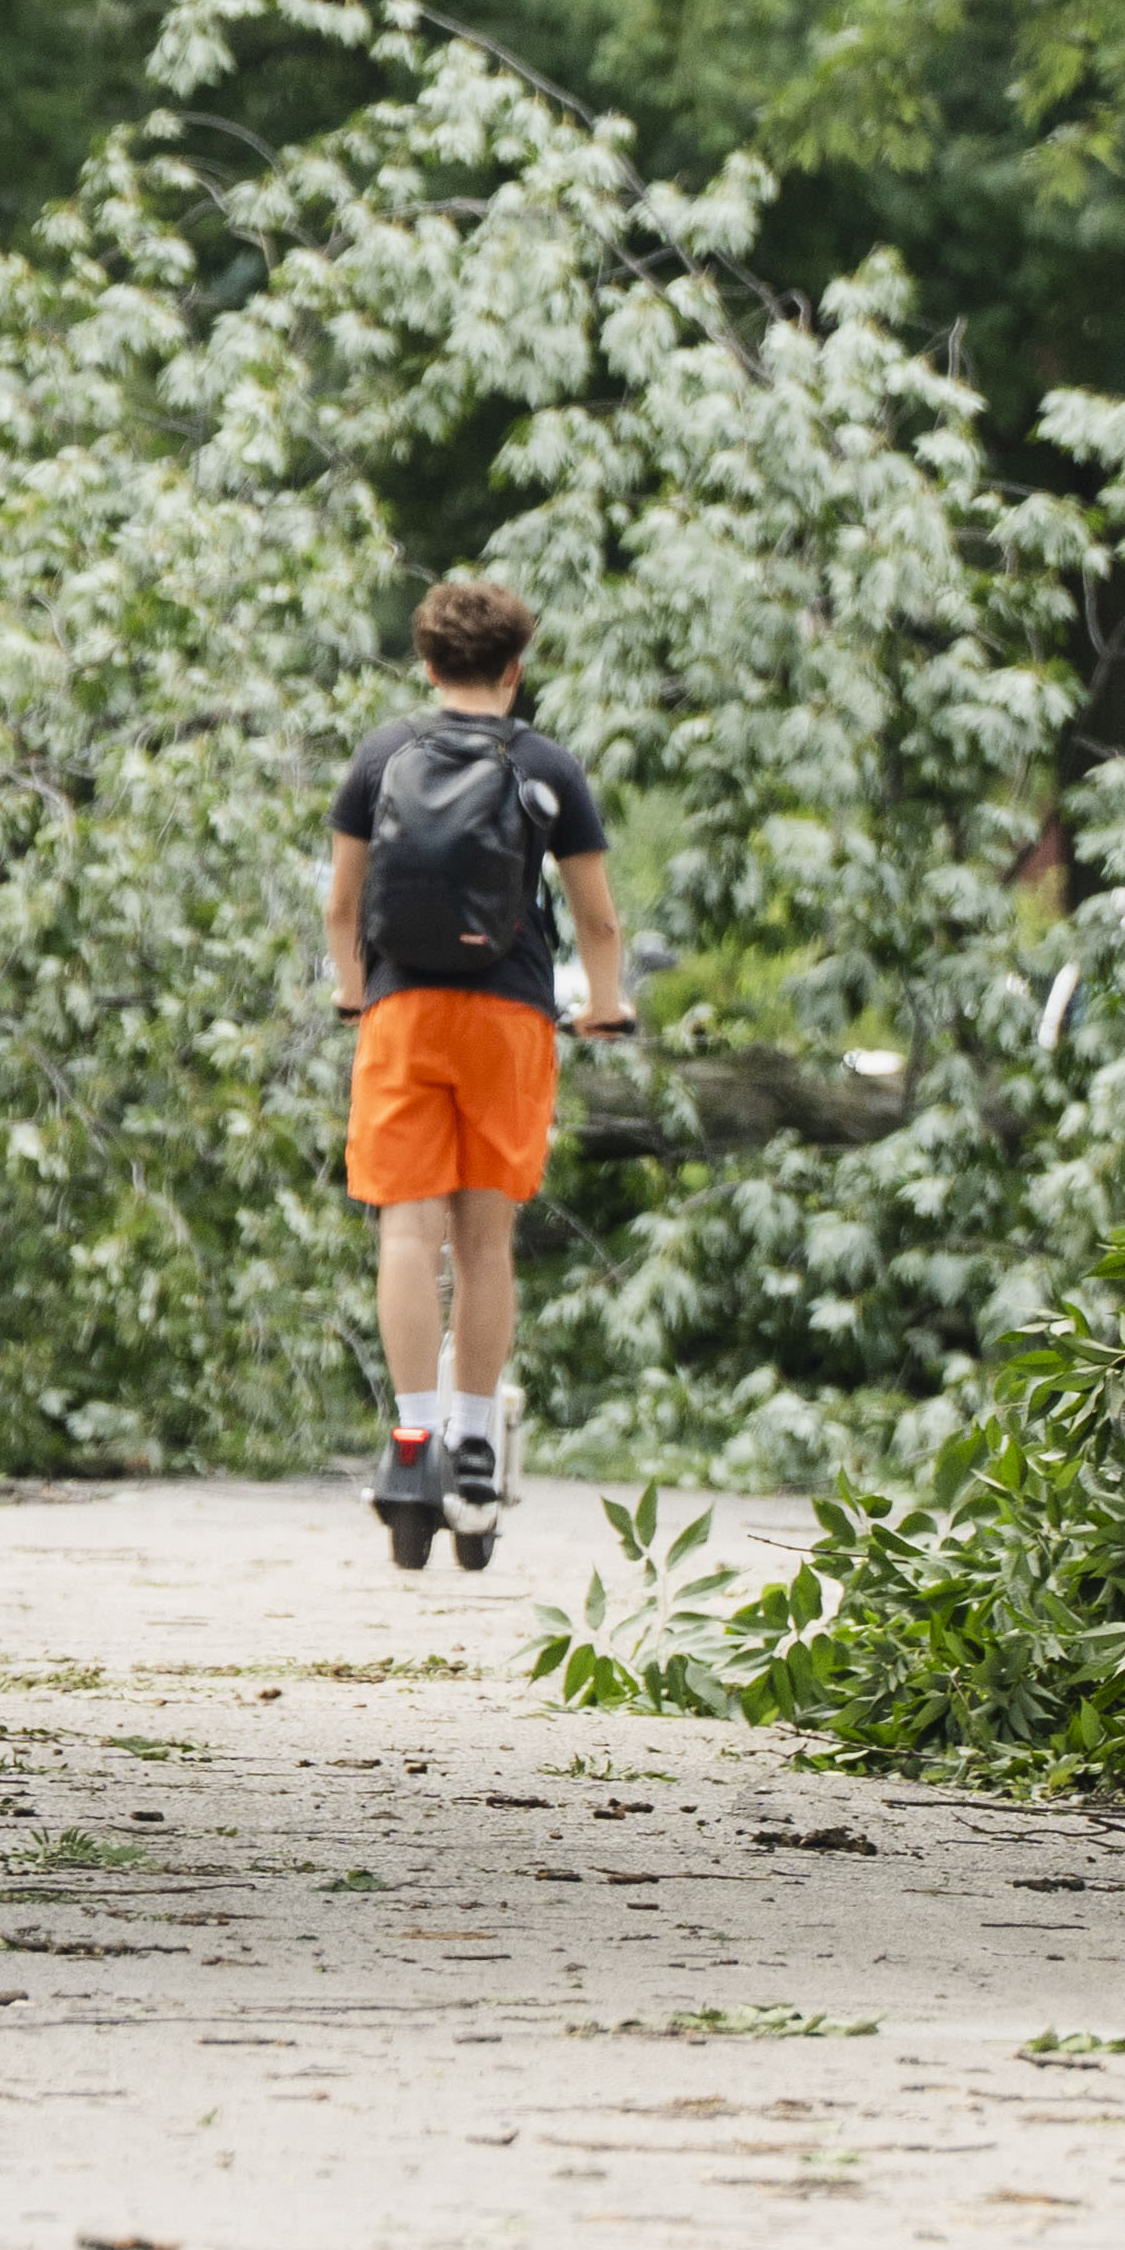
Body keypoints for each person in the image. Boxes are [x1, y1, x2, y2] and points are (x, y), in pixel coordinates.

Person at [327, 574, 633, 1536]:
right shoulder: (550, 765)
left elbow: (342, 905)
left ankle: (411, 1439)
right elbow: (597, 917)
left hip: (402, 1010)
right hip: (509, 1017)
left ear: (427, 664)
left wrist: (351, 987)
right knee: (484, 1236)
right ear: (515, 669)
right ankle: (472, 1438)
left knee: (407, 1233)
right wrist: (607, 1007)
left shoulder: (383, 754)